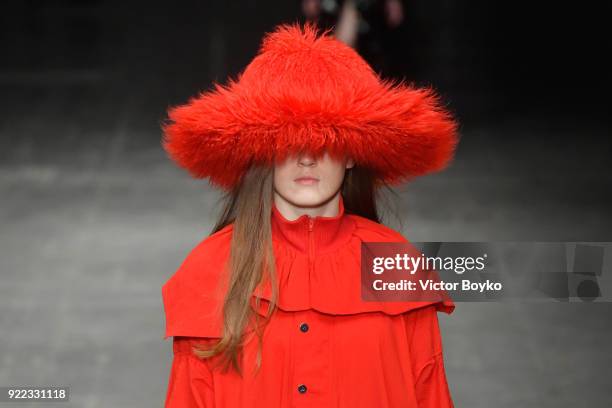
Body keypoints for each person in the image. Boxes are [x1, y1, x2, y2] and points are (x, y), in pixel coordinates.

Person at [160, 21, 459, 408]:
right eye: (288, 140)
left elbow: (429, 392)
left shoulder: (395, 264)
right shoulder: (210, 270)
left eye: (327, 139)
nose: (307, 157)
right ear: (262, 150)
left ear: (352, 152)